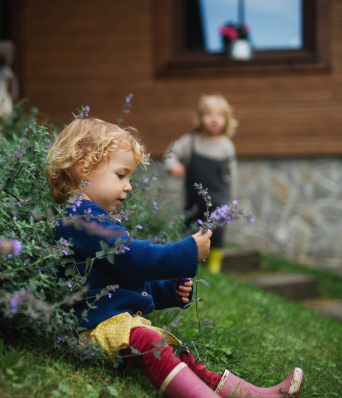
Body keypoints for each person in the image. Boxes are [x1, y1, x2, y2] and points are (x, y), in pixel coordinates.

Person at [46, 118, 303, 398]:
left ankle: (252, 394)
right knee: (151, 341)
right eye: (121, 175)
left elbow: (121, 277)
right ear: (84, 169)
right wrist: (188, 251)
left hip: (111, 324)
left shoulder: (91, 218)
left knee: (176, 352)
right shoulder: (80, 221)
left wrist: (169, 290)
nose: (129, 186)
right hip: (90, 330)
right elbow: (133, 259)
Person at [165, 94, 238, 274]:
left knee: (217, 230)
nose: (214, 119)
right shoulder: (190, 142)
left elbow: (232, 174)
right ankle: (191, 260)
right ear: (199, 118)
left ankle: (214, 266)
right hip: (194, 196)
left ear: (226, 120)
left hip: (219, 195)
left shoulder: (226, 146)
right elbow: (171, 152)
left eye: (220, 115)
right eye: (208, 114)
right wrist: (173, 164)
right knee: (191, 227)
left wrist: (233, 197)